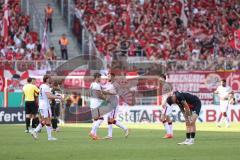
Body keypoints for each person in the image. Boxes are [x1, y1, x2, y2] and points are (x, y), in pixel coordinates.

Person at [30, 75, 63, 141]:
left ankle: (49, 137)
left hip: (42, 105)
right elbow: (49, 96)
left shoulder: (42, 86)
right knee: (47, 120)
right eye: (50, 78)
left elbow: (44, 96)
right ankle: (35, 131)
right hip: (45, 106)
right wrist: (58, 97)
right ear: (47, 79)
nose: (51, 79)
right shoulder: (46, 86)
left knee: (47, 121)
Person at [102, 73, 129, 140]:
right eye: (107, 76)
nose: (107, 77)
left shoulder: (115, 84)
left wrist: (106, 92)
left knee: (111, 119)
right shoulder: (110, 84)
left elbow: (116, 93)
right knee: (109, 119)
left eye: (109, 76)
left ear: (113, 77)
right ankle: (110, 135)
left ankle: (125, 128)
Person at [89, 73, 105, 140]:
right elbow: (99, 95)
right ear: (97, 77)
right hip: (97, 104)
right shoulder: (96, 85)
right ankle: (92, 132)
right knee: (101, 119)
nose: (100, 79)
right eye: (100, 77)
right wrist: (105, 98)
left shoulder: (92, 84)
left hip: (92, 103)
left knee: (95, 120)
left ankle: (94, 136)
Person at [159, 74, 174, 139]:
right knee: (168, 118)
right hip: (169, 103)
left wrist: (164, 102)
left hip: (167, 103)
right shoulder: (166, 85)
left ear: (163, 78)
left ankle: (168, 133)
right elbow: (171, 92)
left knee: (162, 118)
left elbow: (169, 94)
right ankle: (171, 133)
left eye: (160, 78)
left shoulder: (165, 85)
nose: (159, 79)